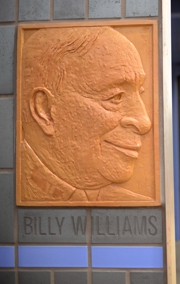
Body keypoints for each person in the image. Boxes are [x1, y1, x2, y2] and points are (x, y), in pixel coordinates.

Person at [19, 26, 153, 203]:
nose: (144, 122)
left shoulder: (133, 202)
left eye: (140, 92)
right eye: (116, 97)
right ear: (45, 111)